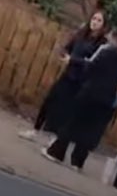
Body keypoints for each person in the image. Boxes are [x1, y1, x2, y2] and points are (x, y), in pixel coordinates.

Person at [42, 26, 117, 171]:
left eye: (110, 35)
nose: (107, 36)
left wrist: (72, 60)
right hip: (107, 99)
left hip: (91, 93)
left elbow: (91, 66)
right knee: (89, 130)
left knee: (72, 122)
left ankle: (56, 152)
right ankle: (77, 162)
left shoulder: (107, 51)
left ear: (116, 39)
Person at [19, 11, 108, 141]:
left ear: (104, 25)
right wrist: (64, 54)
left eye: (99, 20)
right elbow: (68, 47)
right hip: (68, 75)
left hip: (81, 81)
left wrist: (72, 60)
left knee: (66, 110)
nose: (95, 22)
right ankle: (35, 130)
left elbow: (93, 63)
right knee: (49, 101)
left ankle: (56, 139)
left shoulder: (101, 44)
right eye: (94, 18)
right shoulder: (81, 35)